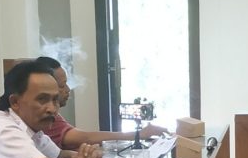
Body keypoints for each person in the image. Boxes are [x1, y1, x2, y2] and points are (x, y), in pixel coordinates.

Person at [0, 60, 102, 158]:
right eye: (42, 99)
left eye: (55, 100)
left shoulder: (29, 125)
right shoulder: (4, 128)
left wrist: (87, 156)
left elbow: (58, 155)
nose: (52, 109)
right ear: (15, 102)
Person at [32, 56, 166, 149]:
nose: (67, 90)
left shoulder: (52, 115)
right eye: (62, 85)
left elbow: (62, 154)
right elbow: (84, 138)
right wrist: (138, 134)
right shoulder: (44, 115)